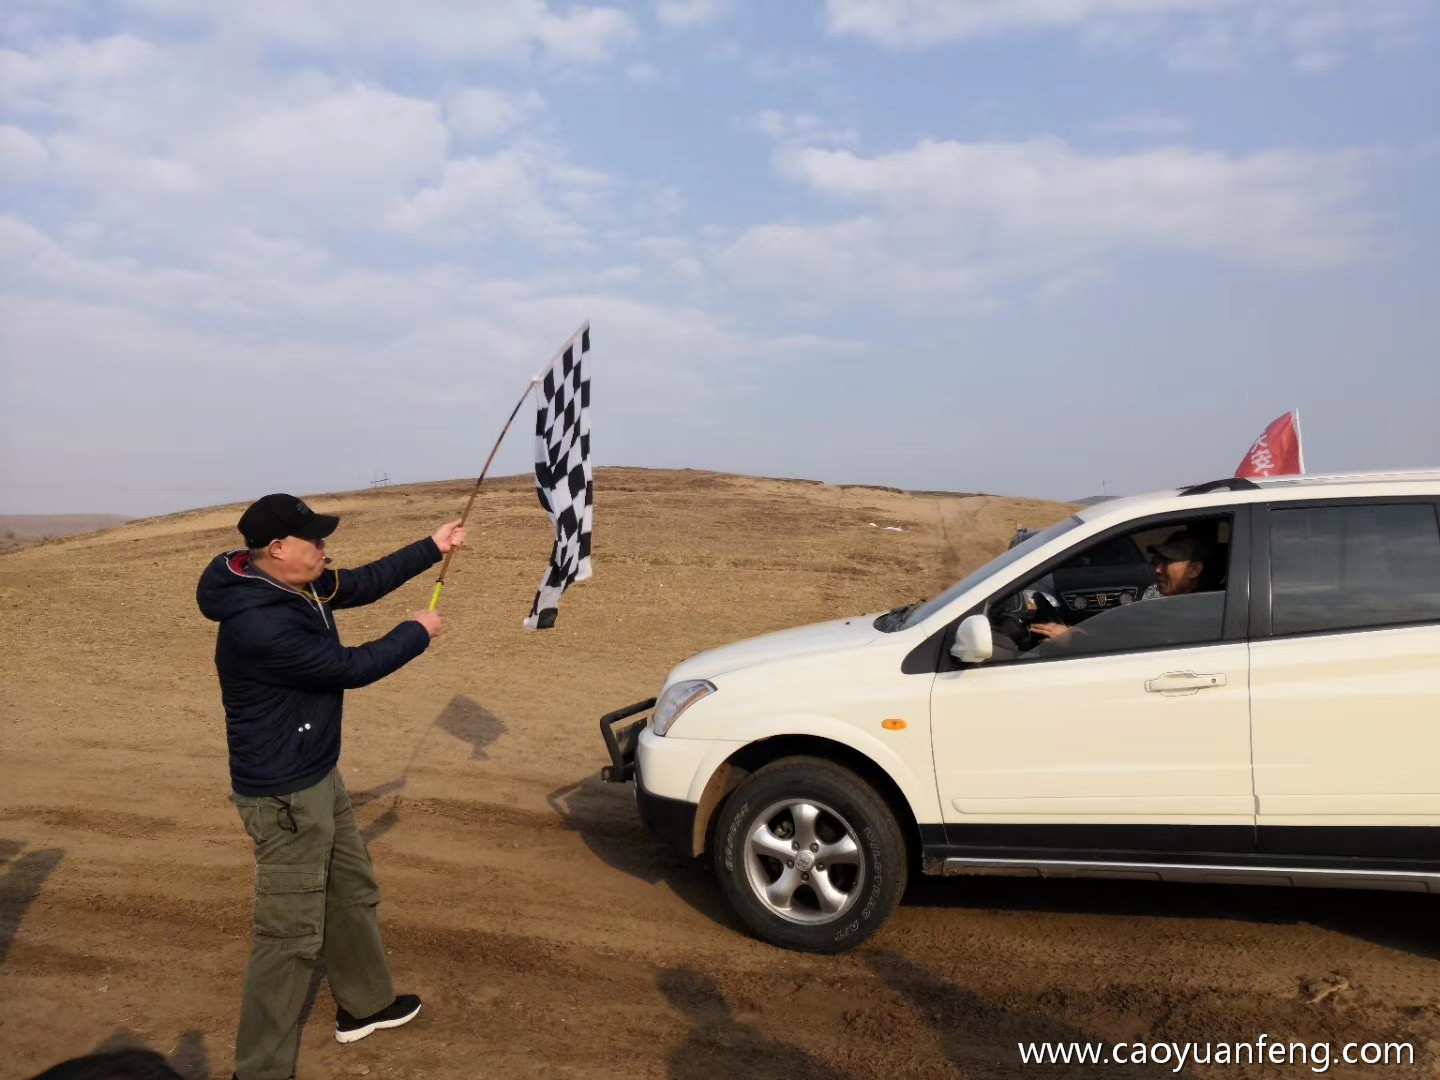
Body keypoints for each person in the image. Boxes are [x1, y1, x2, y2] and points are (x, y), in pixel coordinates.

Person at [195, 494, 464, 1080]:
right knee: (289, 935)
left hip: (317, 771)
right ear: (277, 548)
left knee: (351, 889)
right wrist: (416, 631)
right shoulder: (260, 623)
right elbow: (349, 667)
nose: (324, 549)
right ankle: (260, 1069)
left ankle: (364, 1005)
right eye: (313, 540)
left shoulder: (292, 581)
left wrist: (431, 547)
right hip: (285, 794)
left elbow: (361, 583)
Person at [1030, 527, 1217, 643]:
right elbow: (1133, 632)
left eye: (1168, 561)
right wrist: (1080, 633)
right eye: (1157, 560)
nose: (1158, 569)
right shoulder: (1181, 604)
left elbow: (1139, 646)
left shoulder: (1197, 611)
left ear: (1194, 569)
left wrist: (1073, 640)